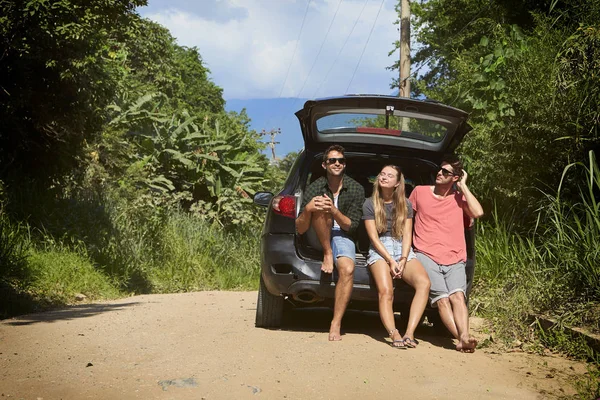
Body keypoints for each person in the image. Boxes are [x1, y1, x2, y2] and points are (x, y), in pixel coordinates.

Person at [409, 156, 484, 353]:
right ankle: (462, 338)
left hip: (455, 256)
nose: (440, 174)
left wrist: (464, 187)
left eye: (446, 172)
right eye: (440, 170)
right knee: (442, 300)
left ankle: (464, 337)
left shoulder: (460, 199)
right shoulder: (420, 192)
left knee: (458, 296)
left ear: (455, 178)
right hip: (426, 254)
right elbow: (406, 219)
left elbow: (477, 213)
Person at [295, 145, 365, 341]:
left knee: (348, 268)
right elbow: (300, 229)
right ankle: (327, 253)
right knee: (320, 207)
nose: (337, 163)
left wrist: (334, 210)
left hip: (342, 235)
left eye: (341, 161)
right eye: (333, 160)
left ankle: (336, 322)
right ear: (325, 164)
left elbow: (351, 226)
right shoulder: (315, 187)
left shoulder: (356, 189)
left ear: (345, 164)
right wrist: (308, 210)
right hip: (316, 237)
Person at [363, 165, 431, 348]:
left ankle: (410, 333)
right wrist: (390, 260)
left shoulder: (406, 204)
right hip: (380, 248)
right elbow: (373, 238)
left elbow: (408, 234)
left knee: (424, 283)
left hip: (402, 247)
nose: (384, 177)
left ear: (397, 183)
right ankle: (394, 333)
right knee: (386, 291)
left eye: (389, 175)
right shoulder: (369, 203)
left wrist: (402, 258)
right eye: (382, 174)